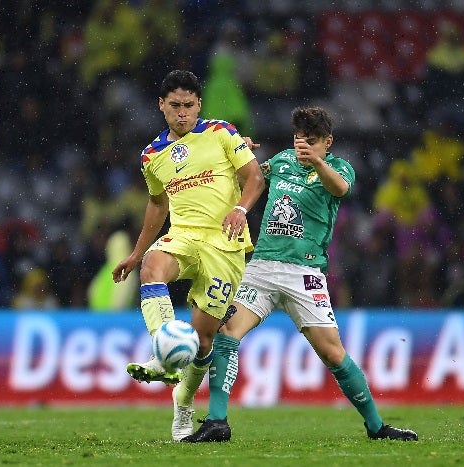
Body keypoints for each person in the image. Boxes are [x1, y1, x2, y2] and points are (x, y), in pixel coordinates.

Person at [181, 107, 418, 443]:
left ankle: (376, 426)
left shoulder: (337, 168)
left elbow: (341, 190)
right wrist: (237, 157)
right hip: (262, 267)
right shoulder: (281, 161)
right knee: (227, 331)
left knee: (333, 354)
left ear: (327, 142)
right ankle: (218, 421)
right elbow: (248, 179)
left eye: (311, 141)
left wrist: (318, 163)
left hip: (304, 274)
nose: (301, 146)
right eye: (297, 138)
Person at [111, 70, 265, 439]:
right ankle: (163, 354)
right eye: (175, 105)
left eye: (190, 105)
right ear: (161, 105)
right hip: (182, 237)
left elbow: (255, 178)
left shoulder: (222, 133)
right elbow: (156, 204)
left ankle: (182, 406)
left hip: (225, 245)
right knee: (152, 266)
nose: (183, 113)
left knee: (204, 341)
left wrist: (240, 209)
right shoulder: (152, 155)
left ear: (199, 105)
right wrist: (136, 253)